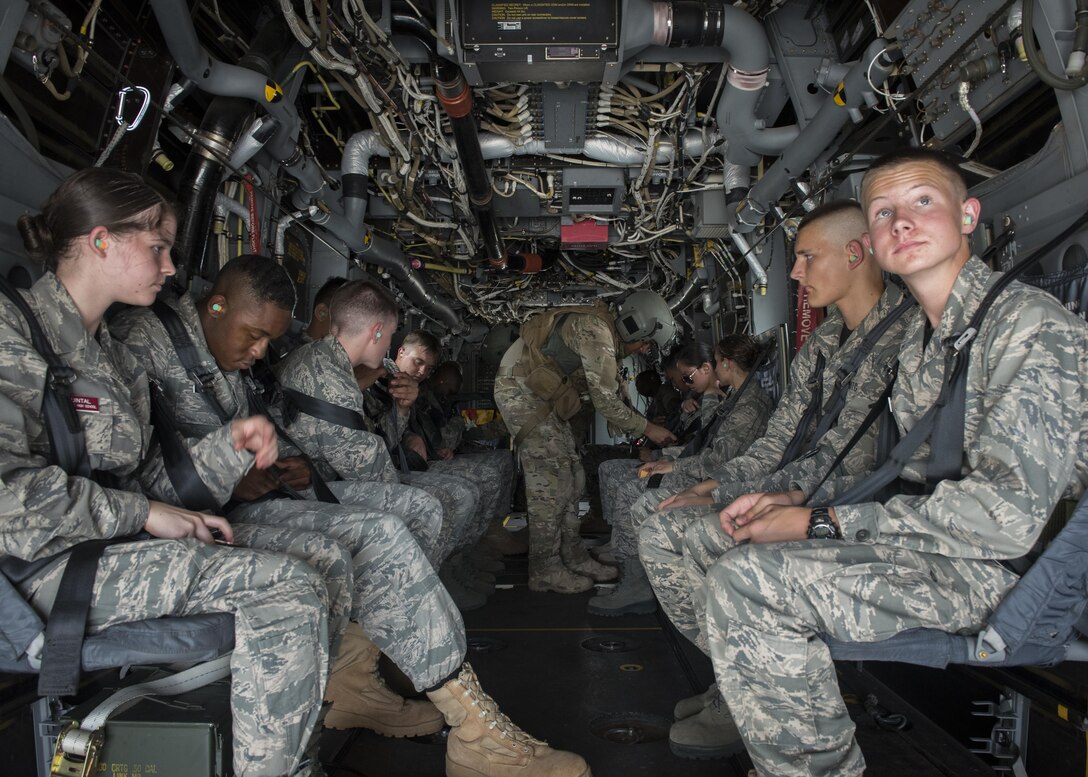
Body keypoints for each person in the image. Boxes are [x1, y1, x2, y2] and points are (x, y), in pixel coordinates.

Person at [706, 148, 1088, 777]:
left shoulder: (1027, 328)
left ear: (968, 217)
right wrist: (798, 503)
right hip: (941, 555)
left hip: (1013, 576)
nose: (901, 223)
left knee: (748, 585)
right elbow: (904, 478)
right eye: (883, 213)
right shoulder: (923, 342)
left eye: (922, 203)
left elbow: (1006, 519)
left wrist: (822, 524)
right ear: (873, 243)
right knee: (737, 560)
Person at [0, 168, 338, 776]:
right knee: (291, 588)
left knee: (315, 569)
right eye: (157, 248)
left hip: (104, 545)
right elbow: (9, 500)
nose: (169, 267)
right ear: (102, 242)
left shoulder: (114, 353)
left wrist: (228, 445)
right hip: (36, 569)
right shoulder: (12, 334)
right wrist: (145, 515)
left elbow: (143, 480)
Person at [113, 255, 468, 737]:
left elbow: (271, 438)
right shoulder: (145, 341)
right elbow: (138, 473)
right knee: (374, 532)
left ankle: (402, 675)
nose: (261, 351)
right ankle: (399, 686)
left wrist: (279, 470)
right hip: (173, 518)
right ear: (216, 307)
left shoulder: (233, 360)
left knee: (395, 522)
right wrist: (236, 476)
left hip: (243, 500)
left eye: (268, 340)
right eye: (254, 335)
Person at [271, 278, 595, 777]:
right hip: (295, 491)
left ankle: (363, 661)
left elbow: (376, 452)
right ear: (379, 332)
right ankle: (455, 711)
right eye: (391, 340)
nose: (392, 351)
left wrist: (400, 410)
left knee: (414, 510)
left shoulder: (340, 368)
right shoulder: (324, 369)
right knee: (403, 517)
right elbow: (372, 469)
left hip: (314, 484)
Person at [634, 200, 911, 759]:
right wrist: (716, 485)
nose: (794, 272)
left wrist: (742, 494)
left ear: (856, 254)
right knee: (661, 529)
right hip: (802, 488)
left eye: (807, 256)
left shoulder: (902, 337)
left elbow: (845, 460)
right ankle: (741, 683)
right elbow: (775, 440)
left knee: (706, 536)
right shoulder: (826, 341)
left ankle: (754, 691)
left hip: (857, 505)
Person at [493, 292, 679, 593]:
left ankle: (573, 554)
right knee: (550, 479)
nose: (644, 349)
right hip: (520, 391)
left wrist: (636, 423)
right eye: (646, 342)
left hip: (540, 395)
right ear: (635, 326)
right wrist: (648, 429)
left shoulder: (606, 336)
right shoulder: (595, 331)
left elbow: (610, 391)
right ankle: (544, 568)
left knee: (575, 476)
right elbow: (604, 400)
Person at [588, 335, 772, 617]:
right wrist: (669, 460)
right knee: (629, 484)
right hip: (710, 472)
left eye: (716, 360)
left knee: (632, 492)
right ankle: (631, 568)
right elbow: (705, 446)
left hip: (725, 482)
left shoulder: (749, 405)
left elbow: (719, 461)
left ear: (726, 364)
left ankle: (636, 584)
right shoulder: (737, 398)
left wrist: (672, 465)